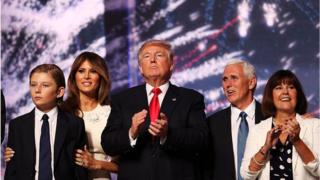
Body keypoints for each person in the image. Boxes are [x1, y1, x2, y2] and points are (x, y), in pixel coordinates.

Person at [101, 39, 208, 180]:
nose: (152, 60)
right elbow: (108, 143)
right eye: (146, 56)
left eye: (159, 55)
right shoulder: (122, 99)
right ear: (140, 68)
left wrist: (168, 134)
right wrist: (131, 132)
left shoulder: (191, 98)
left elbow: (201, 140)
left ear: (171, 65)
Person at [4, 64, 88, 180]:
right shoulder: (17, 125)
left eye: (45, 85)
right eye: (33, 85)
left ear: (59, 92)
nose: (37, 90)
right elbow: (12, 170)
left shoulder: (75, 124)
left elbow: (79, 167)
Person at [240, 69, 320, 180]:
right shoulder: (257, 130)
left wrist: (297, 141)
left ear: (298, 94)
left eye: (291, 87)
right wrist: (265, 148)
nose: (285, 92)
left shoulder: (315, 126)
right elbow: (247, 175)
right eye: (278, 88)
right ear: (270, 96)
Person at [206, 60, 266, 180]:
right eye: (225, 79)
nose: (228, 84)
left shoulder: (272, 117)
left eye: (234, 78)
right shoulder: (211, 124)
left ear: (251, 82)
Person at [63, 51, 118, 179]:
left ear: (101, 76)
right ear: (74, 77)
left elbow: (126, 166)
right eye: (81, 71)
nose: (86, 76)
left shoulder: (112, 112)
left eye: (93, 71)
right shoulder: (62, 111)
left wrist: (96, 164)